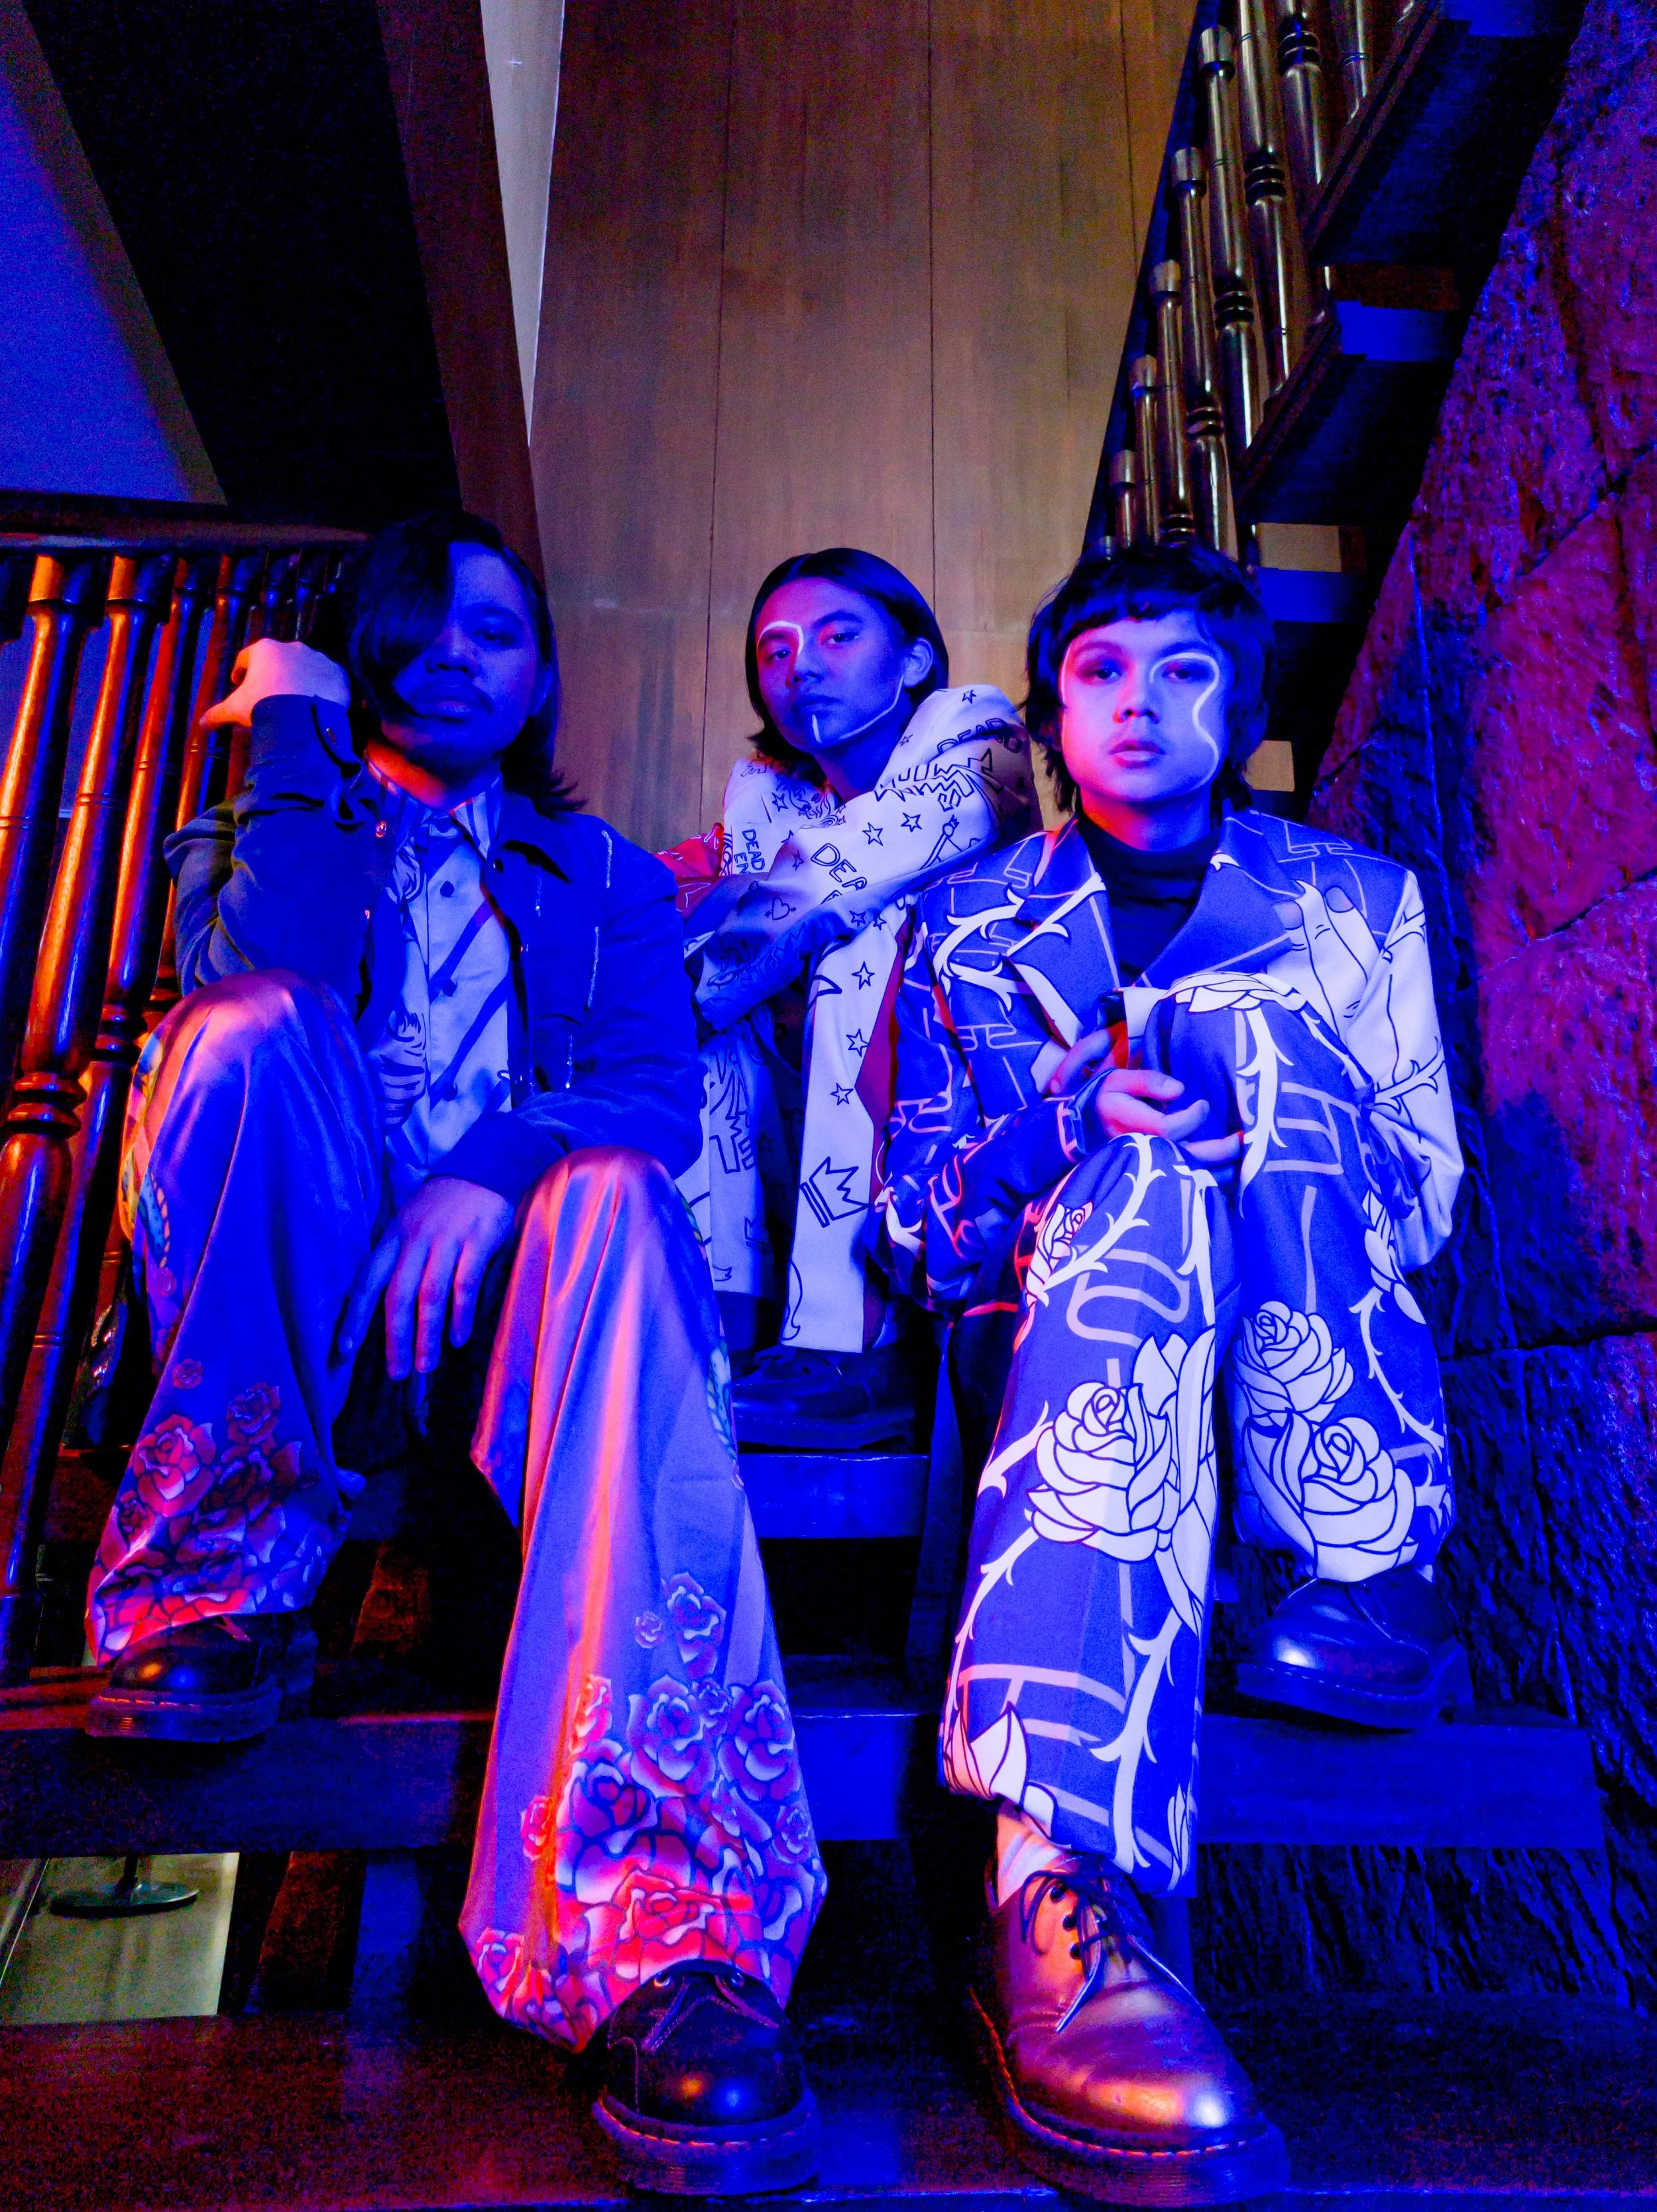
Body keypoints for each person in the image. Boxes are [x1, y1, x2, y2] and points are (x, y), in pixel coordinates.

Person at [81, 510, 827, 2195]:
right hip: (297, 1306)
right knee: (249, 1029)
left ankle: (661, 1917)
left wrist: (491, 1171)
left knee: (625, 1185)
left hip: (519, 1331)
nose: (453, 656)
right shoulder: (277, 828)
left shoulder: (609, 878)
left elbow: (642, 1078)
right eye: (413, 627)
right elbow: (262, 962)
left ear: (543, 671)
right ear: (362, 660)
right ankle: (214, 1589)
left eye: (494, 632)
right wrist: (288, 725)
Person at [880, 541, 1466, 2203]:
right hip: (1067, 1338)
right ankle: (1054, 1884)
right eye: (1098, 673)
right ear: (1053, 713)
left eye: (1185, 670)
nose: (1138, 705)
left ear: (1242, 703)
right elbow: (919, 1237)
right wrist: (1066, 1124)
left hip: (1305, 1334)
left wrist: (1251, 1108)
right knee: (1133, 1171)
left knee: (1253, 1035)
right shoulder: (964, 922)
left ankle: (1358, 1572)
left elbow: (1417, 1196)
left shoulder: (1355, 903)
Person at [661, 549, 1037, 1446]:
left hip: (979, 1087)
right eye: (775, 650)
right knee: (718, 1028)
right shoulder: (774, 803)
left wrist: (683, 994)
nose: (803, 667)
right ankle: (728, 1315)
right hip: (826, 1111)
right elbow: (671, 908)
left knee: (854, 939)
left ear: (911, 660)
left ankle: (854, 1343)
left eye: (837, 634)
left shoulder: (980, 739)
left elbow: (840, 877)